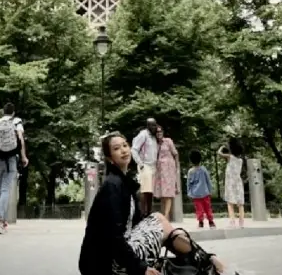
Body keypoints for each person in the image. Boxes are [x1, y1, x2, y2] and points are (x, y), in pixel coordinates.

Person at [80, 132, 224, 275]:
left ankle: (205, 262)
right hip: (106, 264)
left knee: (165, 227)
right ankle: (207, 262)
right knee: (159, 220)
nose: (124, 150)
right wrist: (141, 268)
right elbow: (113, 237)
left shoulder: (123, 183)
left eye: (125, 145)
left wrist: (172, 235)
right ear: (109, 158)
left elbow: (136, 223)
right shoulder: (112, 185)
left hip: (117, 255)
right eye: (117, 148)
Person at [0, 102, 29, 234]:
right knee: (6, 189)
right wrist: (23, 156)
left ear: (3, 111)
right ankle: (0, 220)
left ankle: (2, 220)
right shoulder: (17, 121)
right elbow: (21, 138)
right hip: (11, 159)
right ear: (13, 112)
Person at [131, 118, 159, 216]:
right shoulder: (143, 135)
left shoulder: (154, 137)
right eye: (152, 125)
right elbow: (134, 149)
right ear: (148, 126)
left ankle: (149, 212)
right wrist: (140, 163)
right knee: (145, 190)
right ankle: (142, 213)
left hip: (153, 166)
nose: (154, 127)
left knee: (150, 191)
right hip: (145, 165)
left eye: (155, 125)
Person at [218, 138, 245, 228]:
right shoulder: (240, 160)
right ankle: (241, 222)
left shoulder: (230, 157)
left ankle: (232, 221)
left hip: (230, 183)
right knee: (240, 203)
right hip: (238, 182)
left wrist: (222, 147)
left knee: (230, 203)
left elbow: (219, 153)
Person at [153, 126, 179, 219]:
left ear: (163, 132)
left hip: (168, 169)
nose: (159, 133)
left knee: (168, 193)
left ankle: (166, 215)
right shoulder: (154, 144)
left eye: (160, 131)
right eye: (157, 132)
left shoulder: (168, 141)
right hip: (159, 171)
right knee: (162, 194)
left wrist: (176, 167)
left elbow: (175, 154)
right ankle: (163, 213)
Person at [187, 150, 216, 229]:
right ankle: (211, 222)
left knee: (199, 209)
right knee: (208, 208)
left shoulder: (190, 171)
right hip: (205, 193)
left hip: (195, 194)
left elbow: (189, 184)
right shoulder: (204, 169)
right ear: (200, 159)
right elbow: (208, 180)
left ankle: (200, 222)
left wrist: (189, 193)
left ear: (191, 160)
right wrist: (210, 190)